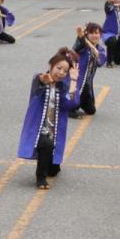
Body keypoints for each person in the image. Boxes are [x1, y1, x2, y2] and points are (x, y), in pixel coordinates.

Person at [18, 47, 78, 189]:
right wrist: (44, 81)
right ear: (50, 65)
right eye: (59, 68)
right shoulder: (39, 78)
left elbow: (71, 104)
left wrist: (74, 80)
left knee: (53, 169)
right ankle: (40, 178)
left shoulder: (63, 86)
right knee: (46, 143)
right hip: (39, 126)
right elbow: (39, 82)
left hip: (54, 129)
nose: (61, 73)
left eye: (65, 71)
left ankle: (49, 164)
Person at [69, 22, 107, 117]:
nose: (94, 35)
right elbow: (78, 45)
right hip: (75, 80)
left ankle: (77, 102)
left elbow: (100, 62)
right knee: (73, 106)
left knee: (91, 110)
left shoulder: (100, 49)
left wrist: (93, 48)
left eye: (97, 33)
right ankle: (69, 107)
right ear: (87, 35)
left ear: (100, 34)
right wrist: (81, 36)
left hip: (86, 83)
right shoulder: (82, 45)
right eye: (91, 33)